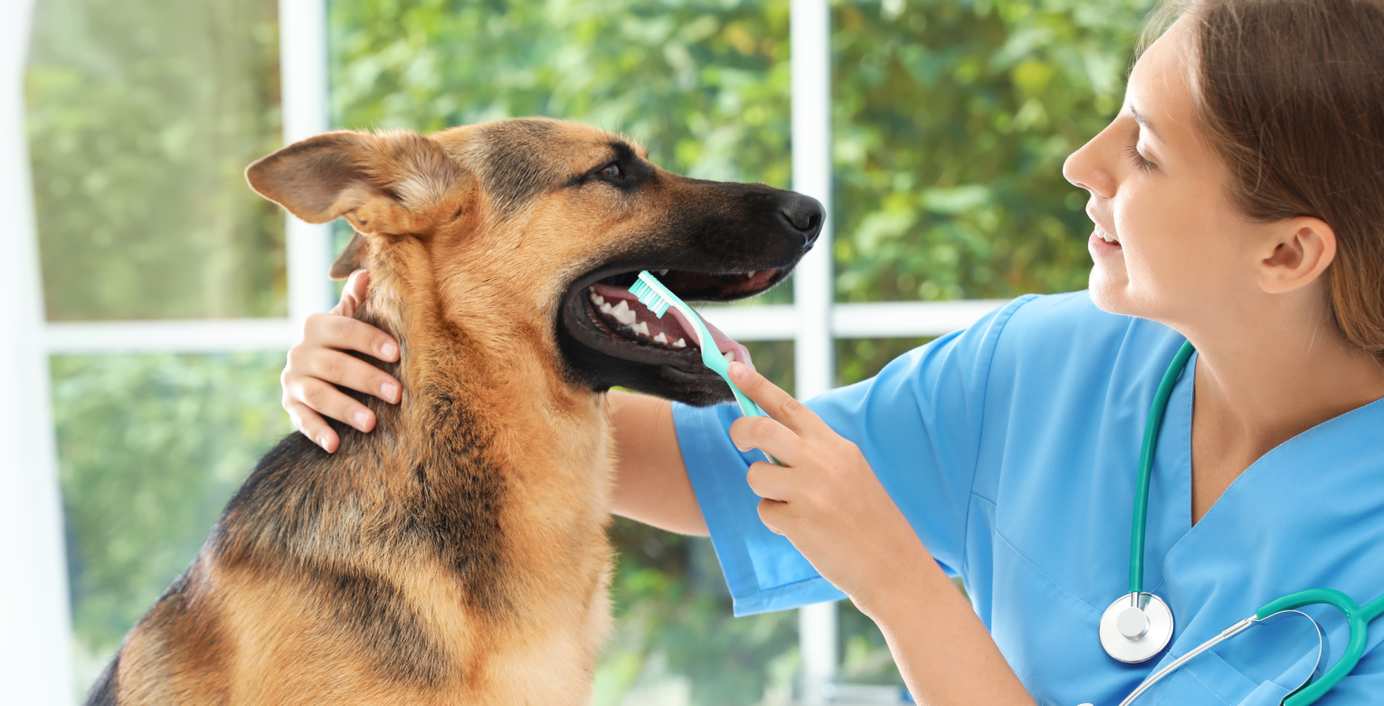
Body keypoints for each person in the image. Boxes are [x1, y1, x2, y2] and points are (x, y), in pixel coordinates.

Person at [276, 0, 1384, 702]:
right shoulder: (1043, 370)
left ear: (1287, 249)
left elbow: (881, 564)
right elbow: (704, 468)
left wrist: (900, 585)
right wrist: (412, 367)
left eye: (1144, 150)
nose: (1080, 163)